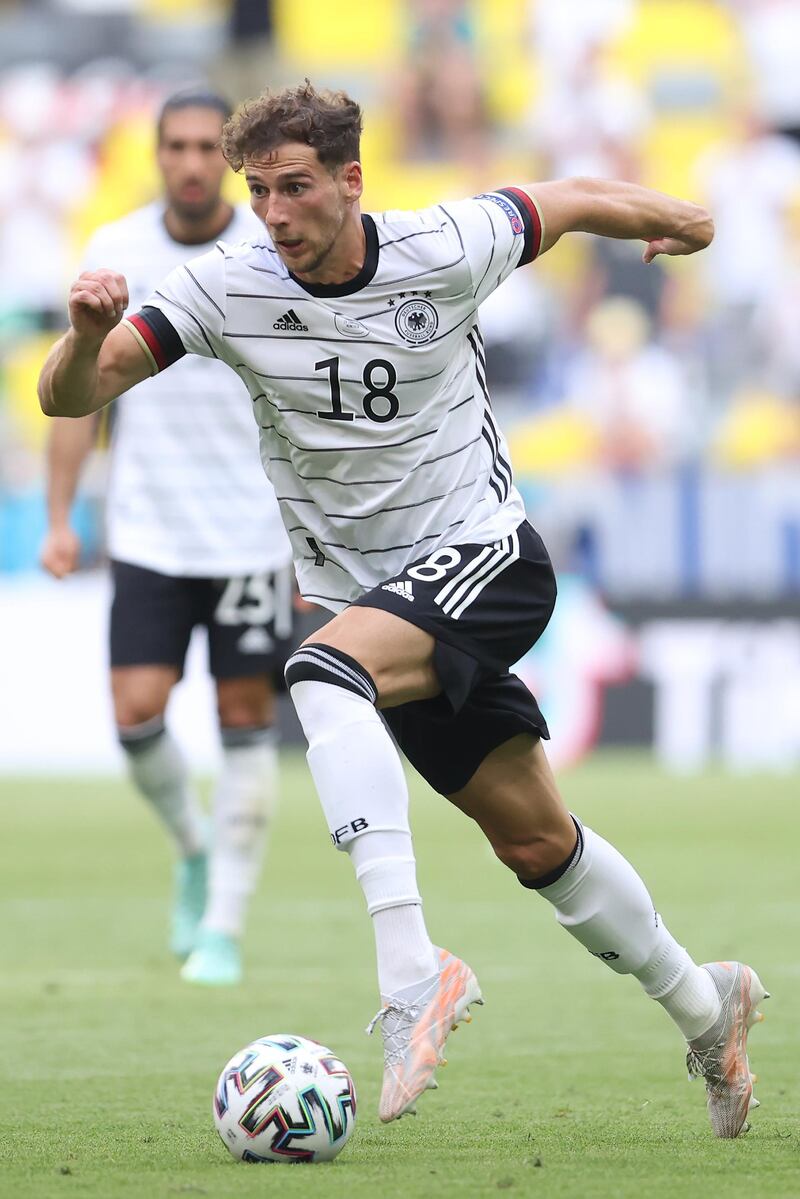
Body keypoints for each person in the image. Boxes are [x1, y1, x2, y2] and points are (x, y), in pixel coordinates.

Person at [38, 81, 767, 1138]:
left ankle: (410, 972)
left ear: (350, 181)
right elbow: (74, 393)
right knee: (535, 843)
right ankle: (708, 1008)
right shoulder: (226, 286)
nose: (274, 214)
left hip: (485, 557)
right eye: (259, 192)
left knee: (317, 670)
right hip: (378, 602)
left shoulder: (444, 243)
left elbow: (556, 199)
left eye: (294, 188)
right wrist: (81, 333)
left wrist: (677, 218)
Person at [38, 88, 294, 988]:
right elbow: (78, 389)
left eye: (203, 148)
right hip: (149, 528)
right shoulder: (115, 251)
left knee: (243, 719)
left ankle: (222, 923)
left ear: (225, 158)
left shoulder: (271, 247)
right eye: (174, 146)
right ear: (156, 154)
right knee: (135, 712)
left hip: (252, 535)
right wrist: (63, 516)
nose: (189, 162)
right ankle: (193, 844)